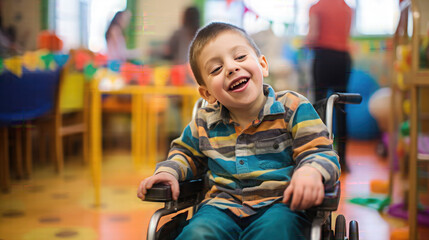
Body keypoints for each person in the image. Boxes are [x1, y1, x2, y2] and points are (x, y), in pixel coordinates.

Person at [138, 22, 340, 240]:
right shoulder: (204, 122)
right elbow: (184, 153)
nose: (231, 68)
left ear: (263, 65)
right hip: (220, 209)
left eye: (240, 57)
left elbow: (320, 151)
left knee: (275, 231)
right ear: (207, 94)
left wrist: (310, 172)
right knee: (196, 233)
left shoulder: (292, 107)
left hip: (280, 205)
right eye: (216, 69)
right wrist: (169, 172)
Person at [306, 0, 353, 172]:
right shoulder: (347, 8)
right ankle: (344, 160)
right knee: (341, 108)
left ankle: (320, 157)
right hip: (343, 59)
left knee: (319, 107)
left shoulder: (317, 7)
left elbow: (312, 36)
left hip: (324, 57)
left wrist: (306, 44)